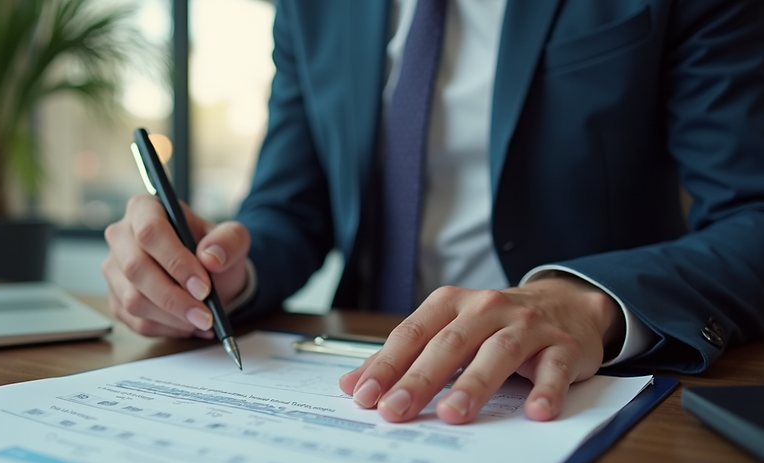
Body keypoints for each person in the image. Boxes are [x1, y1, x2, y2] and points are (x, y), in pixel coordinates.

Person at [103, 0, 764, 425]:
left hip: (577, 390)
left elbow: (752, 212)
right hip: (354, 376)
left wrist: (586, 300)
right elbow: (289, 208)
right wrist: (220, 273)